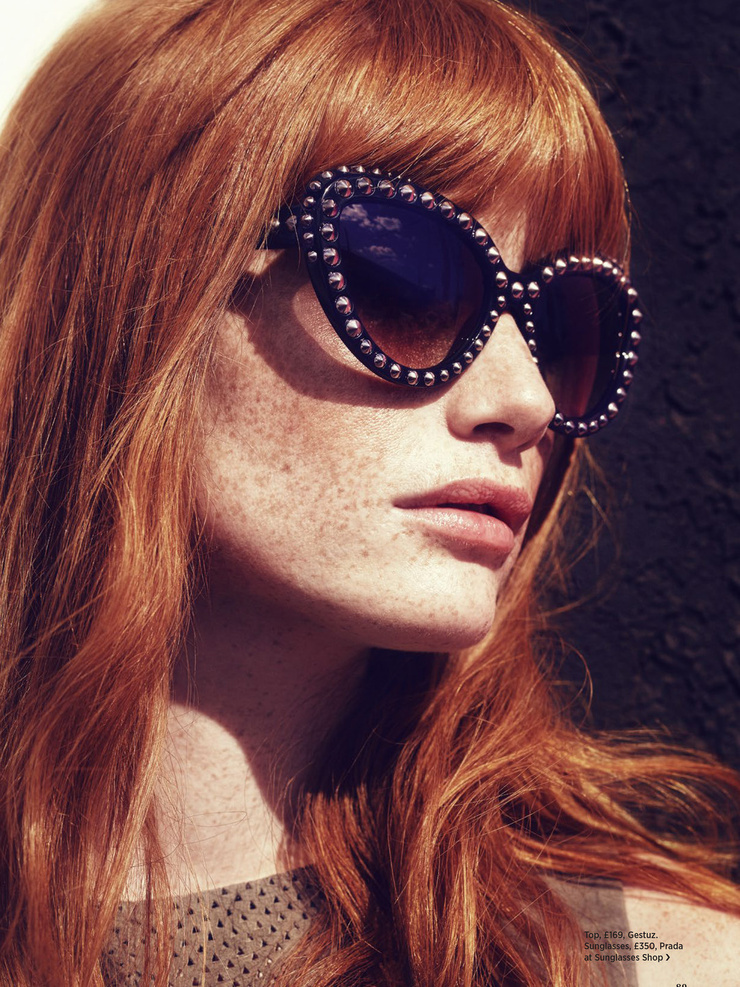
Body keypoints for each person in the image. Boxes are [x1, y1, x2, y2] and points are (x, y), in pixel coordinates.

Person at [0, 0, 738, 984]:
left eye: (559, 325)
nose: (524, 401)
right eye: (405, 279)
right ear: (134, 290)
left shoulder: (662, 964)